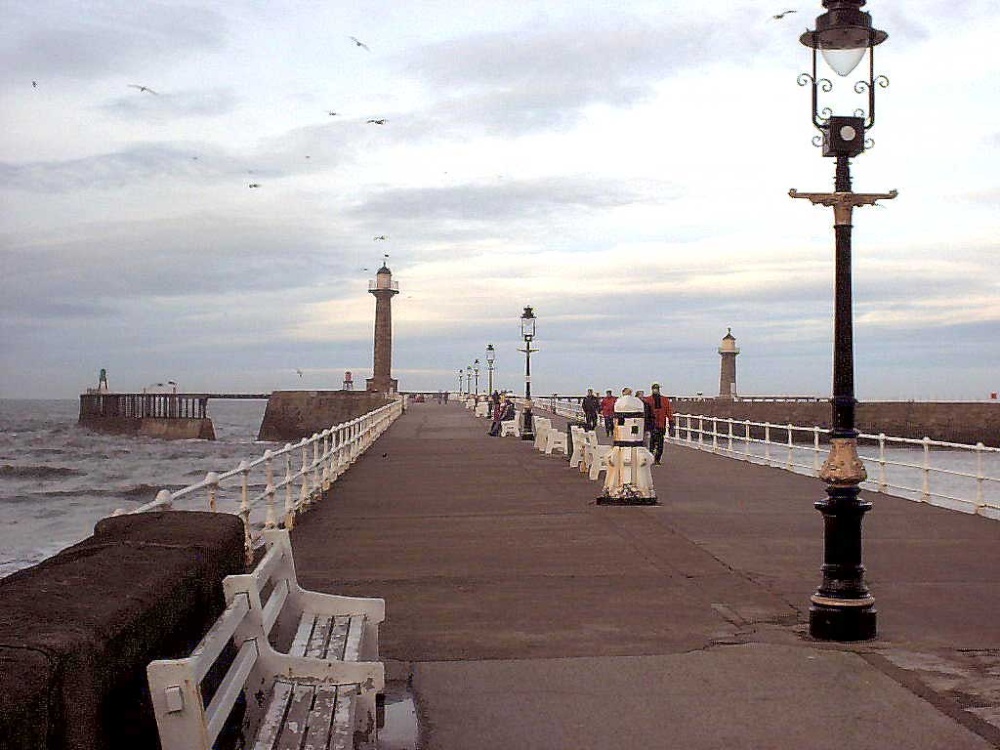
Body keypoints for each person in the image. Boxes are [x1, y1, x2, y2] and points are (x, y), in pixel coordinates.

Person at [643, 383, 675, 465]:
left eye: (657, 388)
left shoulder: (665, 400)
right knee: (652, 442)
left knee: (660, 443)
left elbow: (669, 412)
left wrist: (671, 423)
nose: (656, 390)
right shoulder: (648, 400)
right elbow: (645, 413)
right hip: (652, 424)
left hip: (661, 424)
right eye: (654, 388)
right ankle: (651, 458)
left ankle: (657, 459)